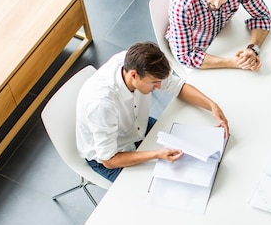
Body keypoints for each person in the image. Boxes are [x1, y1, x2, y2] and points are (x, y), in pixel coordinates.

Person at [76, 41, 230, 182]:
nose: (159, 87)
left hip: (136, 127)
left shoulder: (136, 61)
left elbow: (177, 87)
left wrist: (211, 106)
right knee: (154, 187)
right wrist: (156, 154)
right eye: (154, 83)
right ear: (133, 75)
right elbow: (108, 160)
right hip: (112, 154)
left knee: (189, 156)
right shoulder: (102, 105)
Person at [165, 0, 271, 71]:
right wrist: (233, 63)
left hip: (222, 34)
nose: (217, 4)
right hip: (195, 48)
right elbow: (186, 56)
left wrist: (252, 49)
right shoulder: (182, 4)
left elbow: (263, 17)